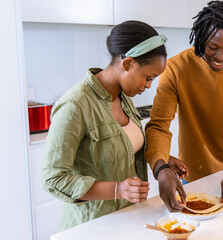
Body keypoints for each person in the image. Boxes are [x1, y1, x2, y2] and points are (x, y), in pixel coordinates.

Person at [42, 20, 167, 230]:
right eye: (148, 77)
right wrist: (117, 189)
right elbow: (53, 179)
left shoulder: (123, 97)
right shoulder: (75, 105)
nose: (148, 85)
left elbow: (123, 150)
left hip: (127, 218)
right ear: (128, 64)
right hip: (92, 226)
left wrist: (164, 162)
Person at [145, 0, 223, 212]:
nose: (220, 57)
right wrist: (161, 169)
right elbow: (158, 126)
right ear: (201, 38)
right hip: (190, 178)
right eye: (212, 47)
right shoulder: (176, 68)